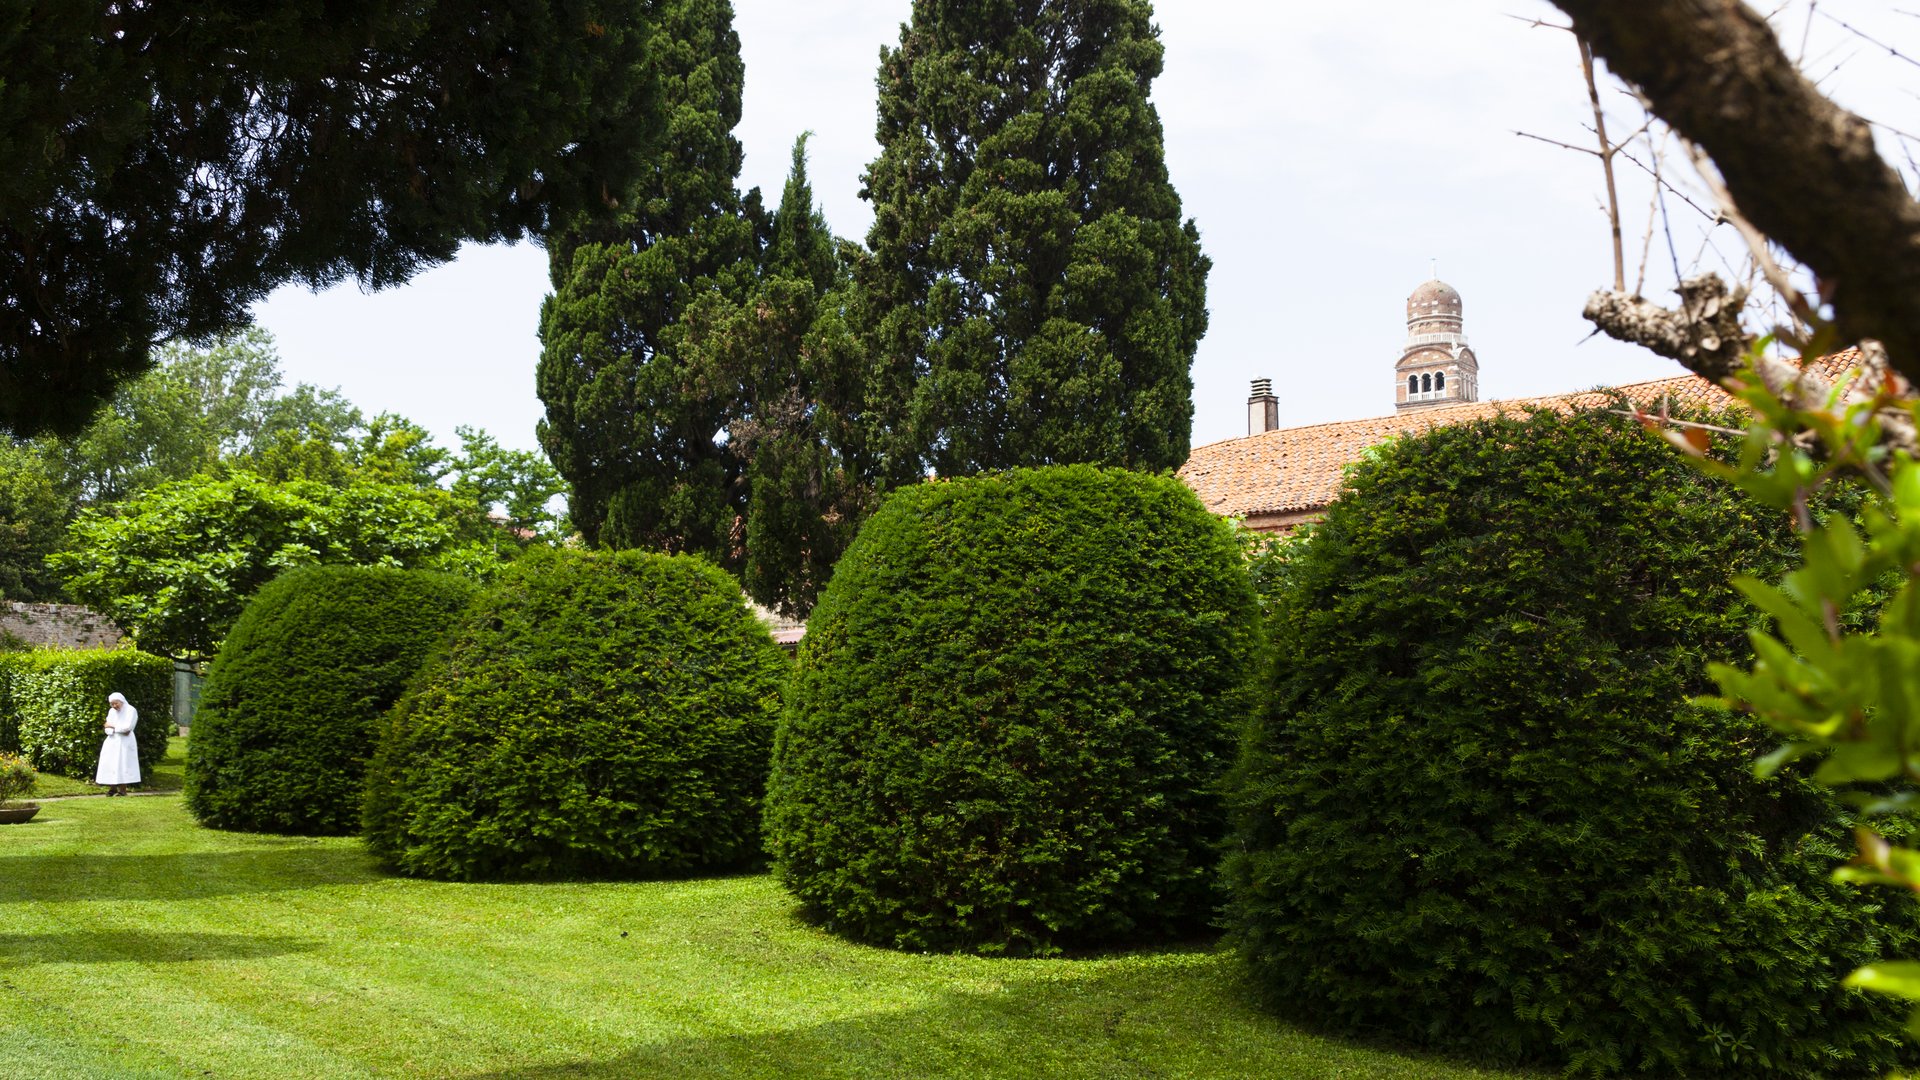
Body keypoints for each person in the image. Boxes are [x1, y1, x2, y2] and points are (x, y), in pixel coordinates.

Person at [95, 691, 140, 796]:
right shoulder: (111, 711)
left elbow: (127, 728)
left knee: (123, 763)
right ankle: (112, 788)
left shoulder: (131, 710)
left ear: (121, 701)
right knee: (111, 763)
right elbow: (107, 728)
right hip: (112, 740)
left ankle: (123, 790)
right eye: (112, 704)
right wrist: (112, 728)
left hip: (125, 741)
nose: (114, 706)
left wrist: (112, 726)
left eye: (116, 703)